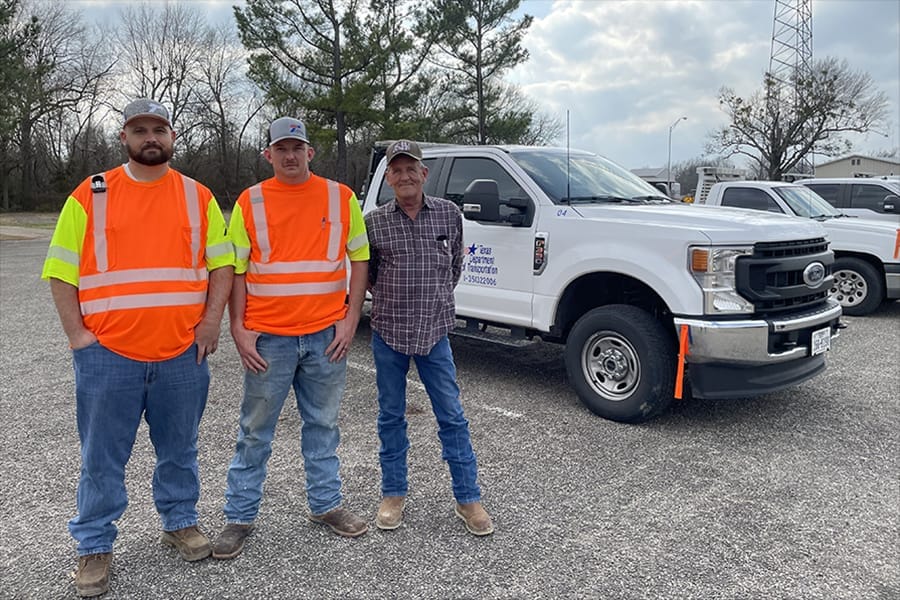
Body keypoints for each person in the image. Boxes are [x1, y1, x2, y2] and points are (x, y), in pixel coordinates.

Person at [41, 98, 235, 597]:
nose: (151, 137)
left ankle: (180, 522)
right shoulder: (91, 195)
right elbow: (61, 270)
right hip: (109, 357)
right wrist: (78, 337)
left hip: (180, 354)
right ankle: (94, 545)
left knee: (180, 449)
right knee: (102, 457)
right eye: (140, 130)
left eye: (160, 129)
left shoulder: (198, 196)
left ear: (172, 136)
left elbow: (222, 266)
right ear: (124, 138)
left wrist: (211, 321)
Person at [212, 117, 370, 560]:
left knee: (323, 425)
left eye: (297, 147)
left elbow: (359, 258)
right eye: (281, 148)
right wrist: (238, 327)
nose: (290, 156)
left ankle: (325, 505)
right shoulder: (251, 201)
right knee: (255, 431)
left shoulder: (340, 198)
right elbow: (237, 269)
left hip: (325, 336)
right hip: (270, 340)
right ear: (268, 155)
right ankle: (239, 516)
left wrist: (350, 316)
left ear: (310, 153)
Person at [364, 140, 493, 536]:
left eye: (411, 169)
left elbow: (455, 264)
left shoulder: (449, 215)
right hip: (389, 331)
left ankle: (467, 497)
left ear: (424, 173)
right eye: (396, 170)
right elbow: (368, 276)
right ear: (388, 178)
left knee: (452, 417)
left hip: (435, 331)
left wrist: (433, 302)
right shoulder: (374, 222)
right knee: (390, 416)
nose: (404, 176)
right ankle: (393, 493)